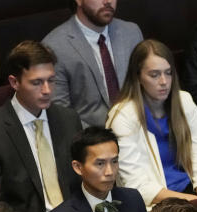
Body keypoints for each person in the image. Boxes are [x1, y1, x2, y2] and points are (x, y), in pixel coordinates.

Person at [0, 41, 83, 212]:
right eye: (37, 82)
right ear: (14, 82)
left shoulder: (68, 119)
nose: (47, 90)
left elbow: (82, 179)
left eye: (51, 80)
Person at [107, 39, 197, 209]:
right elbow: (138, 186)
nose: (164, 81)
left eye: (168, 73)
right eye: (154, 75)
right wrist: (194, 203)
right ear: (138, 76)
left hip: (190, 195)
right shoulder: (122, 117)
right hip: (153, 205)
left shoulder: (185, 102)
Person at [43, 0, 144, 128]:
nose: (108, 2)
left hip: (140, 130)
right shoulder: (55, 46)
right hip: (93, 139)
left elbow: (145, 89)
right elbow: (61, 114)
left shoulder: (131, 32)